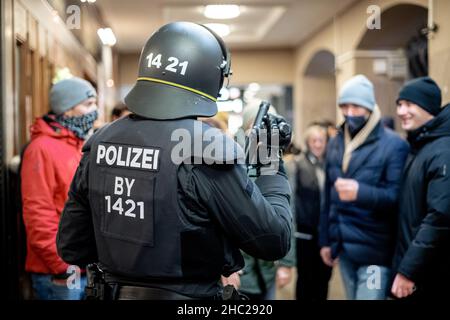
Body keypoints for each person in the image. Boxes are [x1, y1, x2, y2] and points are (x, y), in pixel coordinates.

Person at [56, 22, 292, 300]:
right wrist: (270, 161)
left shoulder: (100, 142)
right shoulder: (203, 148)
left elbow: (72, 247)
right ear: (210, 77)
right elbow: (273, 240)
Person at [319, 75, 409, 300]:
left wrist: (360, 192)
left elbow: (396, 197)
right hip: (344, 246)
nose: (349, 113)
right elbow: (328, 198)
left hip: (375, 252)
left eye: (356, 107)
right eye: (344, 106)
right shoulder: (336, 143)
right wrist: (326, 240)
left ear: (369, 107)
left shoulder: (394, 145)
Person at [21, 77, 98, 300]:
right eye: (88, 104)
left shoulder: (79, 144)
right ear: (67, 108)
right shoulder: (41, 149)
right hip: (59, 272)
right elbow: (38, 214)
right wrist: (63, 265)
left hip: (83, 268)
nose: (95, 111)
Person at [391, 77, 450, 300]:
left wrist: (408, 270)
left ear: (427, 107)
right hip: (416, 267)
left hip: (429, 273)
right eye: (399, 104)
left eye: (408, 104)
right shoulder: (420, 145)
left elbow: (439, 218)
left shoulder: (443, 150)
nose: (401, 111)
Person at [295, 124, 332, 301]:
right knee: (305, 280)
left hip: (325, 234)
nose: (318, 144)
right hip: (305, 234)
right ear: (308, 143)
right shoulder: (298, 165)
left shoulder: (329, 165)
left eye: (321, 140)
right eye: (314, 140)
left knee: (324, 279)